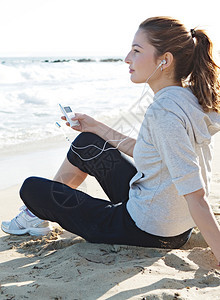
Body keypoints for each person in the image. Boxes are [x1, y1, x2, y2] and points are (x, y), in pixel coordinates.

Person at [2, 16, 220, 267]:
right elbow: (150, 153)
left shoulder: (164, 112)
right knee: (87, 143)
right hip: (166, 216)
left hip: (149, 231)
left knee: (31, 189)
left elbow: (195, 193)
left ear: (165, 60)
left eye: (136, 51)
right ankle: (35, 217)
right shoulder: (188, 97)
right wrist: (94, 126)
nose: (127, 58)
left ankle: (33, 213)